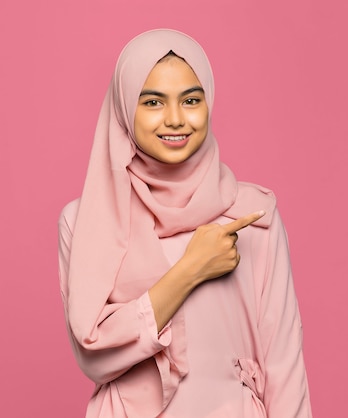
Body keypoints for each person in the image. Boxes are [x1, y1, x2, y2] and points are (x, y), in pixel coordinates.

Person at [57, 29, 312, 418]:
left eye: (191, 100)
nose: (175, 119)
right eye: (153, 102)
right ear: (126, 109)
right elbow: (94, 355)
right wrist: (191, 270)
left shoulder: (252, 214)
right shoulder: (85, 221)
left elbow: (284, 360)